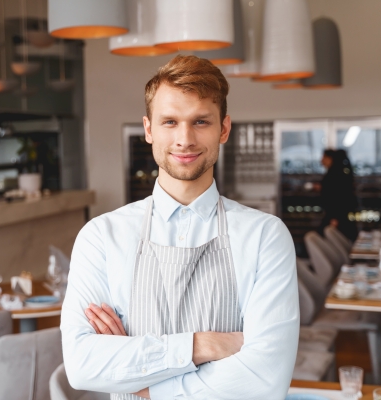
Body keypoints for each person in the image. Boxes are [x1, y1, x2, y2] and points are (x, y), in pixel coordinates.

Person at [61, 55, 299, 399]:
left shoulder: (265, 236)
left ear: (224, 129)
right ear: (148, 129)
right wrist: (202, 345)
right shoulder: (101, 237)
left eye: (200, 121)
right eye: (170, 122)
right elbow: (83, 365)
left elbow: (264, 379)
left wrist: (146, 385)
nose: (184, 139)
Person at [319, 149, 358, 242]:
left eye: (324, 157)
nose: (321, 160)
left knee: (332, 239)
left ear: (330, 158)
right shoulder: (339, 172)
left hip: (335, 215)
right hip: (338, 214)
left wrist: (335, 217)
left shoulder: (334, 174)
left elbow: (337, 197)